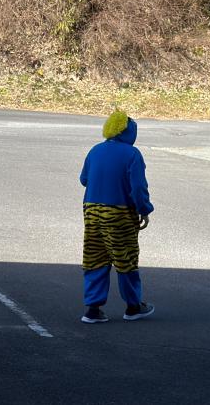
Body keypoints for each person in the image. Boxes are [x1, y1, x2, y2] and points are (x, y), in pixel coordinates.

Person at [79, 109, 155, 323]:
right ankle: (133, 306)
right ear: (128, 133)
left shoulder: (95, 150)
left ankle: (92, 309)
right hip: (119, 213)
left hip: (92, 210)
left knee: (95, 256)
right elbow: (138, 187)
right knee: (125, 258)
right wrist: (144, 209)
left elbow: (84, 179)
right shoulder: (132, 154)